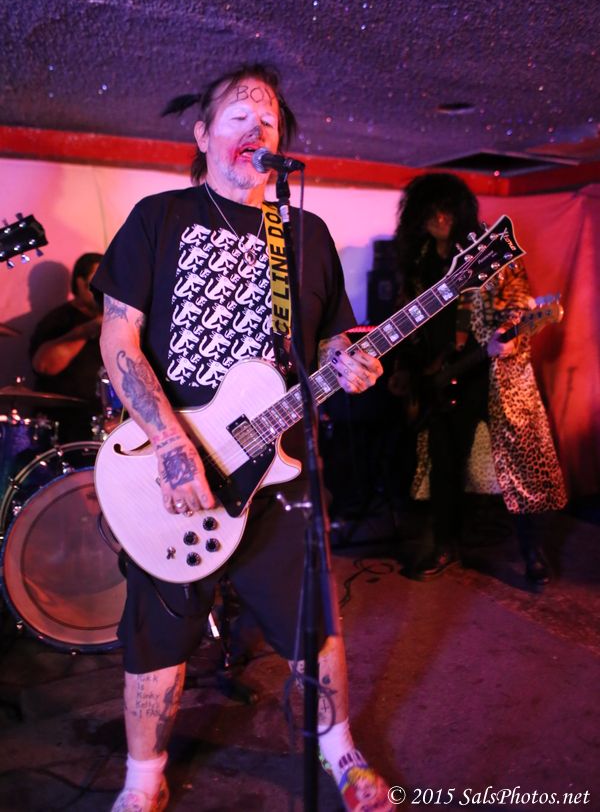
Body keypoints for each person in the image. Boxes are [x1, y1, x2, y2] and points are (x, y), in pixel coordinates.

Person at [92, 62, 393, 812]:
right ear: (202, 135)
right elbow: (118, 339)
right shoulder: (159, 218)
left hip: (281, 466)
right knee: (157, 631)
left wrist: (349, 362)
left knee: (313, 619)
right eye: (238, 116)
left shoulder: (305, 233)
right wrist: (172, 447)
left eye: (268, 121)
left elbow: (330, 339)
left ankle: (341, 753)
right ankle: (144, 780)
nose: (257, 129)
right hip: (176, 463)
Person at [390, 173, 567, 586]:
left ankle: (532, 553)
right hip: (441, 376)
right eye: (432, 211)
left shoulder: (488, 251)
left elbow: (518, 303)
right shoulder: (419, 262)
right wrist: (404, 369)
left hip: (495, 375)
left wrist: (506, 337)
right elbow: (408, 320)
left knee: (520, 464)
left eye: (447, 211)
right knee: (445, 462)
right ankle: (445, 544)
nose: (440, 219)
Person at [30, 252, 104, 441]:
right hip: (67, 424)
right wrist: (87, 330)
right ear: (80, 283)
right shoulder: (58, 321)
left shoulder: (119, 319)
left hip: (109, 421)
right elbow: (45, 366)